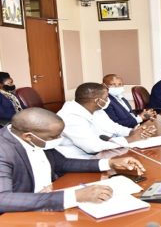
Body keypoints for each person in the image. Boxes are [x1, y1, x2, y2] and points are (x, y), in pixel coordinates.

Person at [0, 107, 145, 213]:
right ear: (28, 136)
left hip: (49, 199)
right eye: (54, 137)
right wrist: (73, 196)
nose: (59, 140)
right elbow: (4, 200)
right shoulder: (3, 150)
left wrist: (110, 162)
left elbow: (63, 163)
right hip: (18, 214)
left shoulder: (37, 137)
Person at [56, 82, 137, 159]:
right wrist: (129, 139)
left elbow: (113, 126)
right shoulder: (70, 117)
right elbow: (93, 147)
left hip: (104, 153)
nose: (108, 100)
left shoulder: (97, 109)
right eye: (106, 97)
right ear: (98, 101)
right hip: (81, 160)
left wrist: (132, 132)